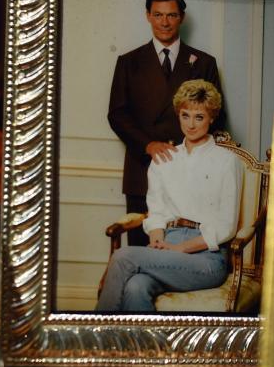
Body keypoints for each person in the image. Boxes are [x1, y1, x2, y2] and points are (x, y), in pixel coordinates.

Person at [96, 79, 242, 312]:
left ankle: (96, 339)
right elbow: (157, 211)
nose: (191, 125)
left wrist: (181, 249)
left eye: (199, 117)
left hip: (206, 258)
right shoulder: (165, 159)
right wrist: (157, 240)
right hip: (167, 244)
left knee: (124, 256)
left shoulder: (227, 161)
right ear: (178, 115)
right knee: (135, 287)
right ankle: (148, 349)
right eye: (185, 115)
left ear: (212, 118)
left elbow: (226, 225)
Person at [108, 0, 222, 246]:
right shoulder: (129, 62)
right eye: (158, 15)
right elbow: (117, 114)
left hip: (190, 171)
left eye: (171, 15)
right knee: (140, 252)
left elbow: (217, 114)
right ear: (148, 15)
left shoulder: (204, 63)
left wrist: (186, 151)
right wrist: (148, 145)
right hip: (142, 168)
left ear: (181, 17)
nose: (165, 22)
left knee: (182, 253)